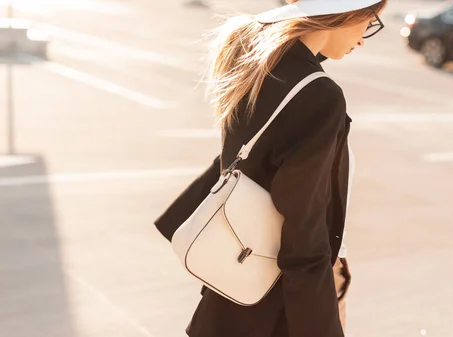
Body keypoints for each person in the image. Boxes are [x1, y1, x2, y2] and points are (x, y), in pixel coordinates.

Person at [154, 0, 387, 336]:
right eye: (370, 22)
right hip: (282, 296)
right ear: (346, 11)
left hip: (238, 280)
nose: (364, 39)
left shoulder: (261, 59)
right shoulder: (319, 95)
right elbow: (304, 228)